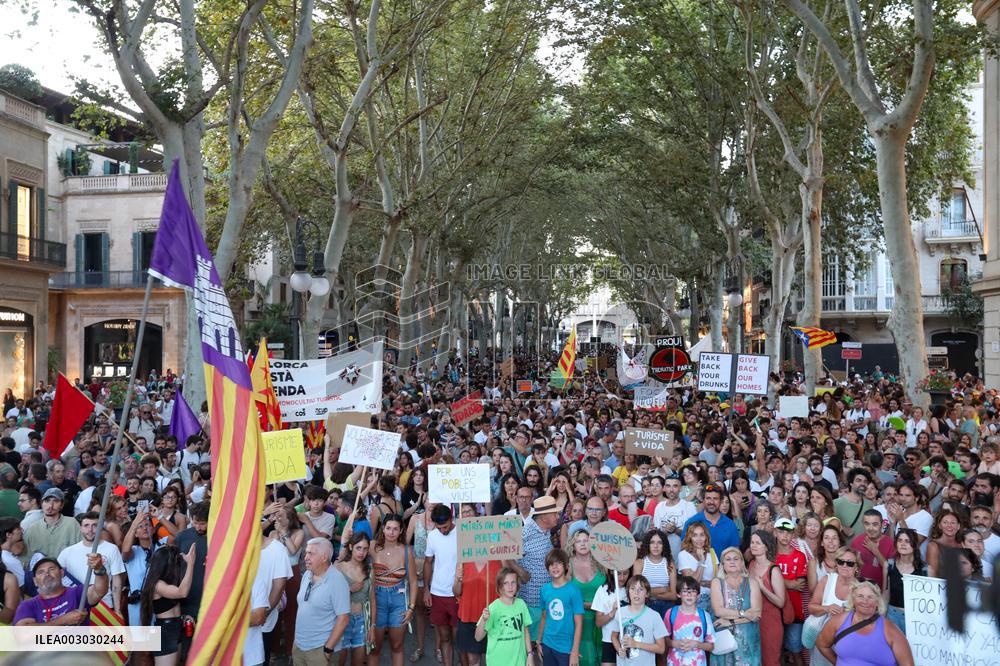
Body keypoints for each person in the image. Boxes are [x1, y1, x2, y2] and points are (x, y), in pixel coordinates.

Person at [814, 581, 914, 666]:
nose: (865, 601)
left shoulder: (890, 629)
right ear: (853, 600)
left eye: (870, 597)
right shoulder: (839, 621)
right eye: (860, 596)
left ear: (877, 602)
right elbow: (822, 644)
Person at [507, 496, 560, 642]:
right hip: (531, 600)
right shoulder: (526, 533)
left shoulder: (546, 531)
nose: (558, 516)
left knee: (542, 641)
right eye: (554, 513)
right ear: (544, 517)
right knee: (530, 642)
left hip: (545, 598)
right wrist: (520, 571)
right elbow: (508, 555)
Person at [294, 537, 351, 665]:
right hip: (299, 646)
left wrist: (328, 649)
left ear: (324, 557)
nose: (305, 557)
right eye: (306, 552)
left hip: (320, 649)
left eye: (311, 553)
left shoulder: (337, 581)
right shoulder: (308, 575)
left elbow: (343, 619)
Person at [57, 510, 127, 613]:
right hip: (76, 607)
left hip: (104, 606)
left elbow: (116, 581)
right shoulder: (67, 552)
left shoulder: (112, 549)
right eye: (86, 525)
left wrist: (117, 610)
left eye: (95, 525)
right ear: (80, 528)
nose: (90, 529)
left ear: (100, 528)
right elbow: (58, 578)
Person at [371, 514, 417, 666]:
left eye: (395, 529)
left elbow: (413, 581)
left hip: (399, 600)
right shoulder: (372, 547)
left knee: (397, 646)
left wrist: (411, 607)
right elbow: (349, 552)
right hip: (377, 600)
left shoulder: (406, 551)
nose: (391, 532)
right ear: (383, 529)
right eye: (388, 528)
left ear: (401, 531)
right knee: (374, 647)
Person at [141, 544, 197, 665]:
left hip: (175, 627)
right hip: (165, 631)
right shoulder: (158, 584)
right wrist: (191, 564)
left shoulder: (168, 581)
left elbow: (173, 607)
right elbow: (182, 592)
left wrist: (183, 617)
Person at [14, 554, 108, 625]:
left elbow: (99, 591)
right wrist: (63, 620)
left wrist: (99, 569)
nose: (47, 574)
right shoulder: (28, 605)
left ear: (62, 573)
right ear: (34, 581)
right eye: (41, 572)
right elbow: (23, 635)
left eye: (51, 569)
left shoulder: (77, 593)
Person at [709, 546, 762, 666]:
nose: (732, 561)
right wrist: (745, 614)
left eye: (736, 559)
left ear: (742, 563)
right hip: (725, 640)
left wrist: (730, 621)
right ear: (722, 564)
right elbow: (719, 611)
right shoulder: (717, 582)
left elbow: (757, 615)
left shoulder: (752, 582)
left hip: (748, 639)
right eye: (728, 559)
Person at [807, 546, 859, 666]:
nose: (845, 566)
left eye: (850, 563)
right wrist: (827, 608)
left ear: (856, 567)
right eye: (841, 562)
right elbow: (811, 607)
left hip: (848, 643)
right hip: (823, 639)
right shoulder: (827, 580)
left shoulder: (861, 588)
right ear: (836, 564)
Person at [474, 567, 535, 666]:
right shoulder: (493, 608)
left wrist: (530, 654)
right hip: (497, 662)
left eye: (513, 582)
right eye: (505, 583)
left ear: (517, 584)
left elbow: (525, 630)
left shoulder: (521, 604)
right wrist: (484, 620)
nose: (510, 587)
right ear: (500, 586)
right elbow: (478, 637)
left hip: (519, 661)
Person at [425, 504, 459, 666]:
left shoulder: (462, 532)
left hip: (458, 594)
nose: (443, 531)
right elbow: (428, 562)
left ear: (451, 519)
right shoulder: (432, 536)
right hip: (437, 593)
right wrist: (426, 589)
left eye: (445, 527)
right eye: (439, 528)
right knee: (444, 637)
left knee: (459, 638)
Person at [536, 548, 583, 666]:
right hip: (547, 643)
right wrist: (539, 641)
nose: (554, 567)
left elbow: (579, 623)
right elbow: (544, 616)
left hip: (566, 648)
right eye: (551, 564)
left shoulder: (574, 591)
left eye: (558, 563)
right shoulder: (544, 590)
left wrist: (574, 651)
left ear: (566, 565)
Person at [567, 525, 606, 666]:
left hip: (602, 620)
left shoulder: (603, 562)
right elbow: (565, 596)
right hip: (578, 621)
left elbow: (612, 590)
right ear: (573, 544)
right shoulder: (568, 565)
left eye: (586, 540)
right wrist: (590, 605)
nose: (583, 543)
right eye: (579, 541)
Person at [611, 574, 668, 666]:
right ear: (628, 592)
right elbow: (614, 636)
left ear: (647, 593)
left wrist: (636, 644)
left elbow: (661, 648)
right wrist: (619, 649)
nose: (636, 592)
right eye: (632, 589)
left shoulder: (654, 616)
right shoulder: (620, 613)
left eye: (641, 589)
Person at [747, 531, 785, 666]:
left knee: (771, 661)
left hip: (770, 622)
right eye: (752, 542)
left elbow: (781, 602)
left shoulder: (773, 569)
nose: (754, 545)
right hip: (752, 621)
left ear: (766, 546)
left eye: (758, 543)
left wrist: (762, 587)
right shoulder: (750, 565)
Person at [335, 532, 373, 666]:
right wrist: (350, 590)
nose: (361, 552)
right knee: (339, 661)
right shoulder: (338, 568)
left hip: (362, 620)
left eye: (365, 549)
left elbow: (373, 600)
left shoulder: (369, 569)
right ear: (351, 547)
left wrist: (372, 627)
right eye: (358, 548)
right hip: (342, 620)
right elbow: (329, 597)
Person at [773, 518, 807, 665]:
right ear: (775, 533)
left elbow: (799, 585)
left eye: (788, 532)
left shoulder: (800, 556)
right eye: (781, 532)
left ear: (793, 534)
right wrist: (789, 583)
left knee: (796, 650)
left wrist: (776, 581)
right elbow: (765, 583)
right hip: (774, 611)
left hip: (795, 611)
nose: (784, 536)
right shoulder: (769, 555)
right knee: (777, 651)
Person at [663, 575, 715, 666]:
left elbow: (711, 646)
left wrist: (696, 644)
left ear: (698, 595)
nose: (689, 594)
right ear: (679, 594)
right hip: (675, 662)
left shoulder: (704, 616)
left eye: (693, 591)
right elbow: (664, 639)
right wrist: (673, 643)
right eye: (685, 591)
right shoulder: (671, 613)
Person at [22, 488, 80, 565]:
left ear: (62, 505)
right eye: (47, 501)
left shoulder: (72, 524)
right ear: (41, 503)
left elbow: (82, 550)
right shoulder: (32, 529)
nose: (50, 505)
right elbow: (25, 560)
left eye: (56, 501)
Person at [883, 529, 924, 636]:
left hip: (917, 619)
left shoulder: (926, 570)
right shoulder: (889, 565)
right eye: (900, 540)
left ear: (914, 544)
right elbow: (885, 595)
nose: (903, 544)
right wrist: (881, 619)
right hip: (893, 616)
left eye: (907, 541)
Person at [682, 484, 739, 557]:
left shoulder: (730, 524)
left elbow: (735, 552)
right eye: (708, 498)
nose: (711, 502)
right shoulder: (691, 522)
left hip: (723, 567)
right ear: (703, 500)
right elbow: (684, 550)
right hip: (698, 567)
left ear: (720, 501)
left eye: (715, 498)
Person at [631, 528, 675, 618]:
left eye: (659, 543)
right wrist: (663, 589)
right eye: (652, 542)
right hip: (645, 604)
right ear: (648, 544)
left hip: (665, 605)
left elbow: (674, 595)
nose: (656, 546)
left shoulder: (670, 564)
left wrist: (649, 592)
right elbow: (637, 591)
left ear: (664, 545)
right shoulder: (639, 563)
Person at [677, 522, 718, 611]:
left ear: (706, 537)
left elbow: (718, 580)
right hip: (696, 600)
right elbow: (692, 584)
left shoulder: (712, 553)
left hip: (714, 598)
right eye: (695, 535)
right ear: (690, 538)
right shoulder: (683, 555)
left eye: (702, 535)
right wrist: (701, 561)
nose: (699, 539)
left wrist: (704, 583)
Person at [653, 477, 697, 558]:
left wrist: (676, 530)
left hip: (685, 557)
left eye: (675, 486)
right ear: (664, 488)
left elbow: (695, 535)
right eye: (668, 486)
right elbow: (656, 534)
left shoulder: (689, 506)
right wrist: (666, 531)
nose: (671, 490)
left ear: (680, 489)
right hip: (663, 557)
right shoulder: (659, 507)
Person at [591, 569, 628, 666]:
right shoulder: (603, 590)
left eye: (625, 573)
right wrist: (613, 612)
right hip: (608, 641)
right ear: (612, 572)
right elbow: (598, 622)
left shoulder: (632, 589)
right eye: (619, 573)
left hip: (629, 642)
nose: (622, 577)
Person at [850, 510, 894, 589]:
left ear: (883, 524)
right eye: (867, 524)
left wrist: (875, 551)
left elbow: (891, 572)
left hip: (881, 592)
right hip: (858, 590)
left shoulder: (890, 543)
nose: (870, 528)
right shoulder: (857, 541)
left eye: (875, 524)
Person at [832, 470, 873, 538]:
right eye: (858, 480)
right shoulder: (836, 503)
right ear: (851, 483)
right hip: (844, 547)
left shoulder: (870, 504)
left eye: (865, 481)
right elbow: (827, 523)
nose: (862, 483)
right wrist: (842, 528)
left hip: (864, 547)